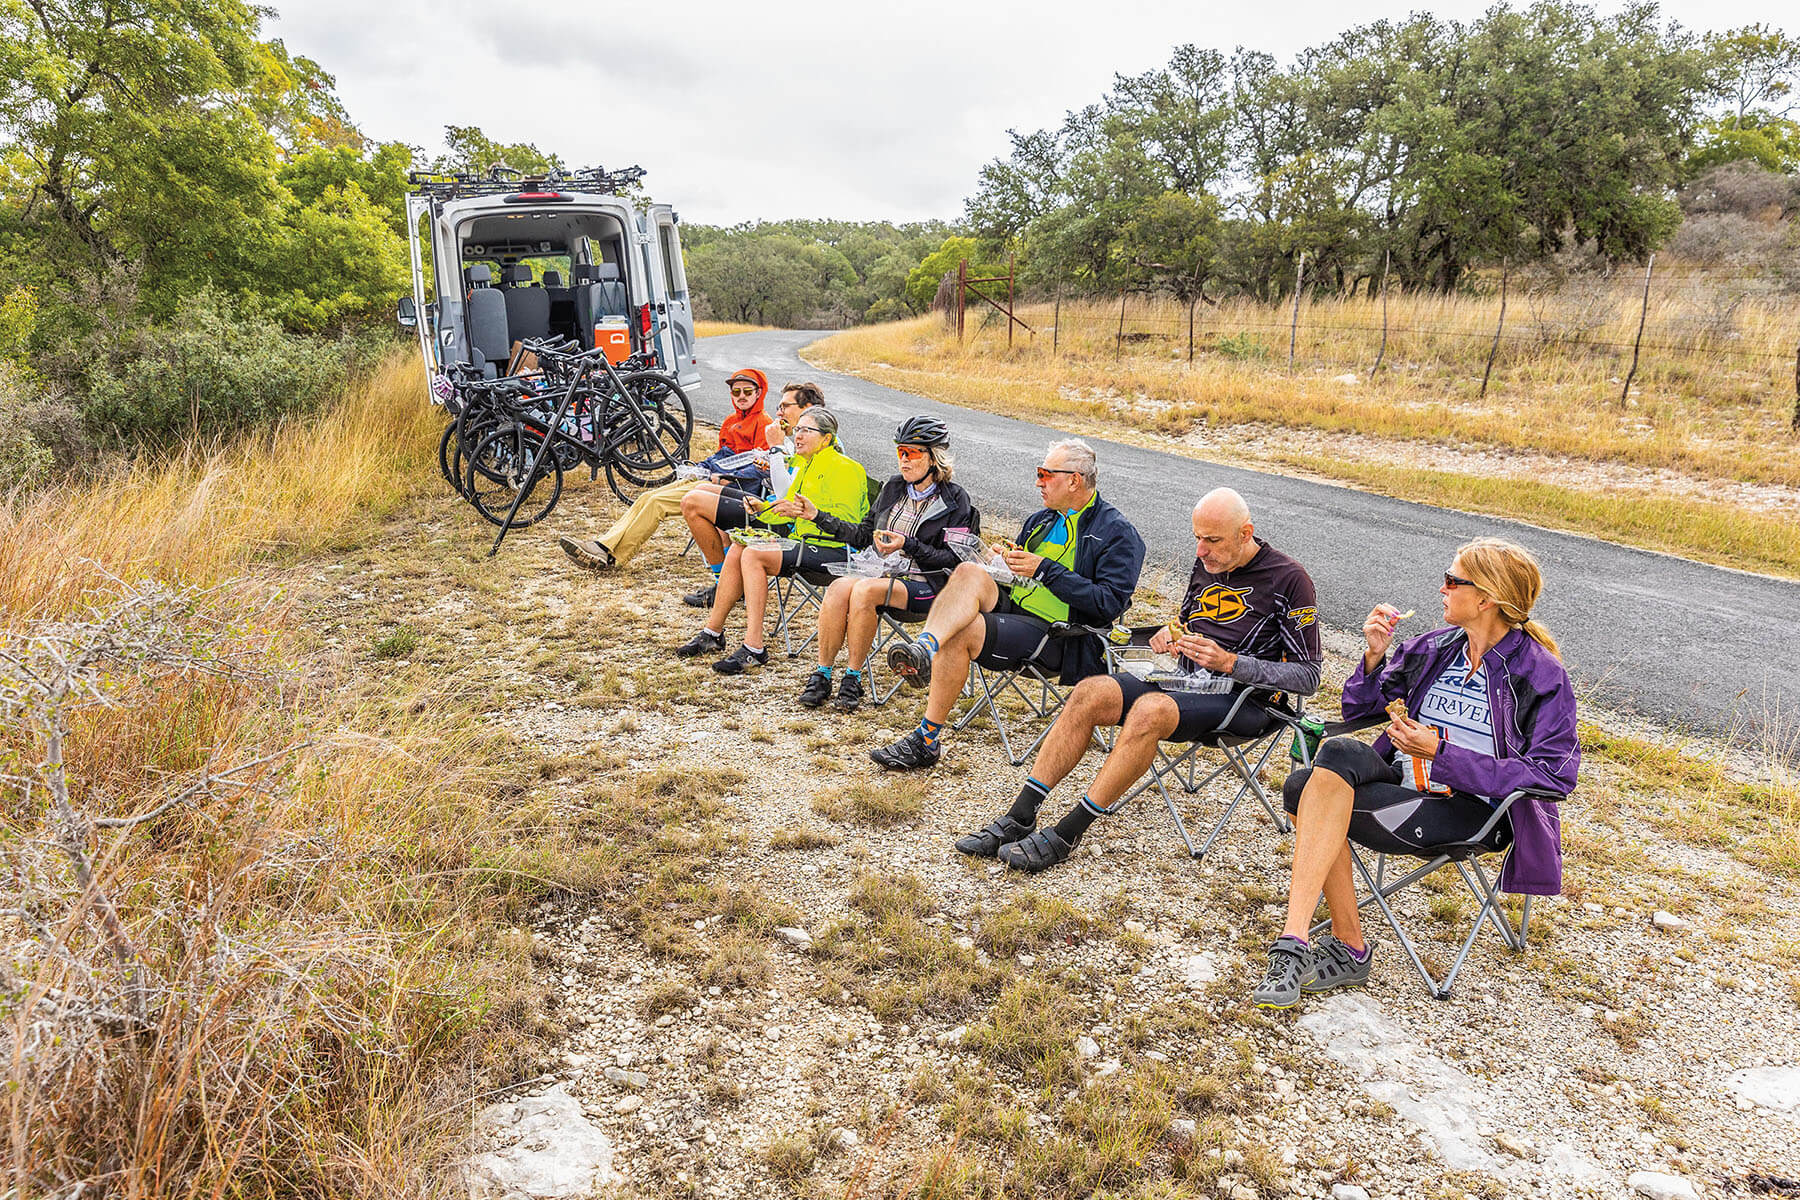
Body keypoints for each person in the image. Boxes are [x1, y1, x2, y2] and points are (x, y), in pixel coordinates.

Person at [1250, 537, 1579, 1010]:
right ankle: (1300, 938)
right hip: (1402, 783)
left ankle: (1343, 949)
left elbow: (1553, 775)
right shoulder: (1435, 649)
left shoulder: (1540, 674)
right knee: (1327, 762)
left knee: (1308, 792)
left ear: (1485, 598)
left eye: (1452, 580)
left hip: (1471, 811)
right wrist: (1373, 657)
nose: (1441, 589)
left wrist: (1440, 752)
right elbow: (1359, 709)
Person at [955, 487, 1324, 871]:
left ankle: (1069, 831)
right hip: (1186, 680)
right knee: (1090, 692)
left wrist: (1232, 662)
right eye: (1197, 538)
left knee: (1149, 711)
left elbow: (1308, 676)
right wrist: (1171, 633)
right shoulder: (1207, 564)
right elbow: (1188, 621)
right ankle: (1021, 814)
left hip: (1246, 699)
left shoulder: (1290, 579)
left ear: (1245, 533)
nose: (1201, 551)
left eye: (1212, 540)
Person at [871, 438, 1144, 771]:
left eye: (1045, 474)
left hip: (1061, 634)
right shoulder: (1042, 520)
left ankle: (926, 740)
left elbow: (1109, 603)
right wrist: (1000, 563)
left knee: (963, 632)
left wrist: (1044, 569)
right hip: (1016, 607)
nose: (1037, 482)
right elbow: (1021, 575)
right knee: (969, 570)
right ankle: (925, 649)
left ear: (1074, 480)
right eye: (1038, 473)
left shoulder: (1117, 533)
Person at [794, 416, 981, 712]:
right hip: (882, 575)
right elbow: (862, 535)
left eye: (913, 453)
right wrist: (818, 516)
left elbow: (954, 560)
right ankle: (823, 673)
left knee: (865, 592)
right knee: (839, 588)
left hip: (927, 586)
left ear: (934, 458)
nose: (904, 461)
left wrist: (908, 544)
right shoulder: (894, 488)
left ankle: (853, 678)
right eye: (900, 452)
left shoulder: (956, 499)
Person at [674, 408, 870, 673]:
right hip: (803, 541)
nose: (797, 436)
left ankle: (754, 646)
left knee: (754, 553)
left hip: (833, 552)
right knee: (740, 545)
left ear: (826, 439)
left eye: (805, 431)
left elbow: (848, 527)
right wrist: (762, 509)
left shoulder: (847, 469)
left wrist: (807, 513)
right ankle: (713, 632)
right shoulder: (805, 464)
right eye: (797, 429)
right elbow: (788, 509)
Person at [557, 368, 784, 573]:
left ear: (759, 393)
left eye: (747, 391)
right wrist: (700, 467)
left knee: (658, 504)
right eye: (736, 392)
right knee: (647, 496)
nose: (741, 396)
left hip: (731, 489)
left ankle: (612, 556)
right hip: (710, 479)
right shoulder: (730, 421)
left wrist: (723, 477)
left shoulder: (764, 423)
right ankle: (602, 545)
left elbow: (761, 469)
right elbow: (722, 455)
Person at [678, 381, 826, 609]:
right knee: (701, 490)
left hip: (788, 524)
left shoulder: (820, 445)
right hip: (771, 508)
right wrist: (768, 469)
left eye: (785, 406)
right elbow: (785, 484)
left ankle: (725, 586)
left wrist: (776, 449)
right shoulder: (797, 441)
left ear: (807, 408)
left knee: (692, 502)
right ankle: (730, 583)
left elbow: (788, 496)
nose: (779, 413)